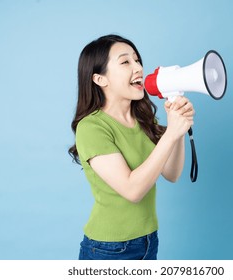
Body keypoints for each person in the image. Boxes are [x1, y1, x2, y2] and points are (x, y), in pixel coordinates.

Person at [68, 34, 195, 260]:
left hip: (148, 240)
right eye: (125, 62)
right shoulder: (92, 127)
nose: (138, 68)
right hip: (109, 248)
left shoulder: (144, 119)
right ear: (100, 79)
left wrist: (179, 130)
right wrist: (171, 134)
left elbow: (172, 173)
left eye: (137, 60)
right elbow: (132, 190)